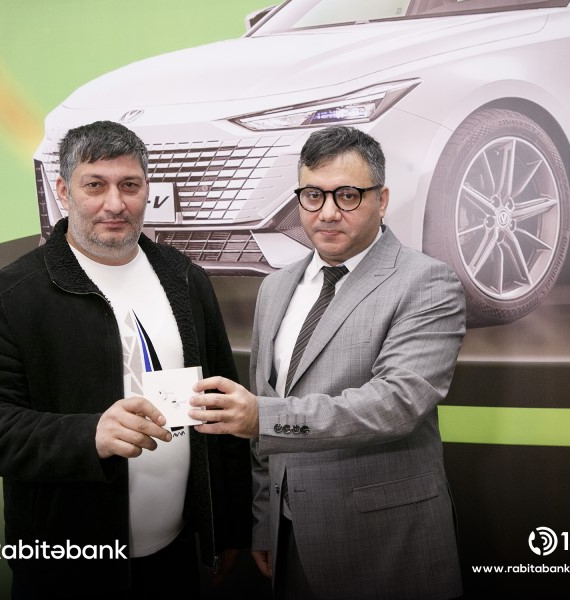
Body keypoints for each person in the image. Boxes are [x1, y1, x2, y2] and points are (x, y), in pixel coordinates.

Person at [0, 120, 252, 599]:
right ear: (62, 192)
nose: (115, 204)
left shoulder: (185, 279)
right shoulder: (8, 295)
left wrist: (231, 526)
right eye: (95, 185)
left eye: (129, 185)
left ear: (147, 190)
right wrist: (89, 434)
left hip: (176, 560)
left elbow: (221, 408)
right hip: (65, 570)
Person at [188, 125, 466, 599]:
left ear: (382, 199)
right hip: (290, 538)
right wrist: (264, 520)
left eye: (348, 196)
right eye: (313, 195)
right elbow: (265, 414)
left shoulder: (427, 282)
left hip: (388, 544)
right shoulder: (276, 287)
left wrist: (263, 417)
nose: (328, 212)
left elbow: (396, 404)